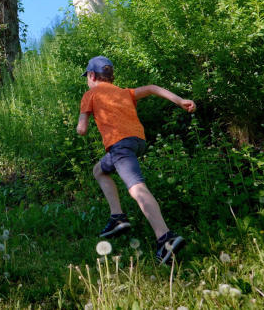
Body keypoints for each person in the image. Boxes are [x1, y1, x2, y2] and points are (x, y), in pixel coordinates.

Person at [76, 55, 196, 264]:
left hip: (120, 145)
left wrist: (80, 125)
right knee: (99, 170)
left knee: (137, 188)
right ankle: (117, 217)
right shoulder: (124, 93)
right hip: (137, 141)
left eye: (88, 76)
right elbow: (151, 88)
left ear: (93, 75)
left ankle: (165, 237)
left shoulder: (90, 94)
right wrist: (180, 100)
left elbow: (82, 129)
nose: (88, 79)